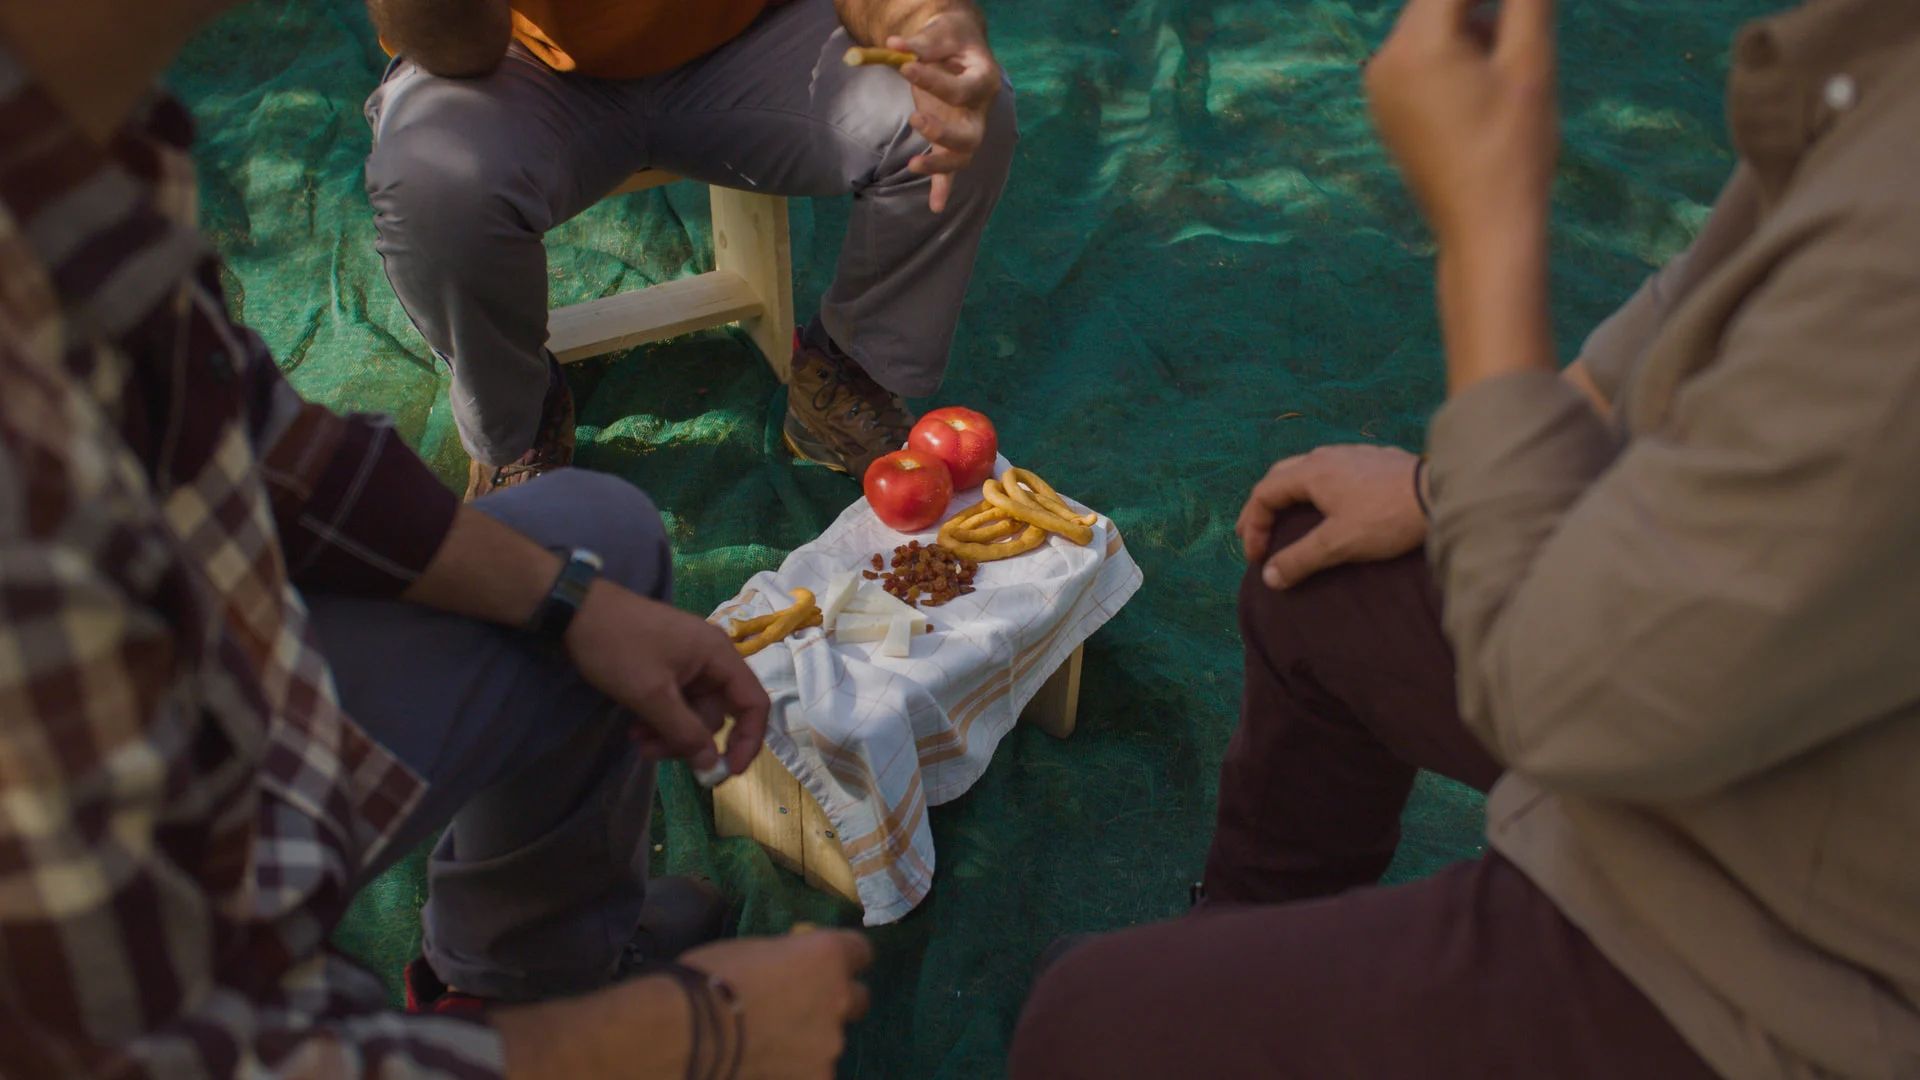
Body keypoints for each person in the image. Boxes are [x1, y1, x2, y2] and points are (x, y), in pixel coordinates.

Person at [1011, 0, 1920, 1076]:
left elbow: (1566, 702)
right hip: (1736, 701)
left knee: (1088, 1027)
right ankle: (1244, 943)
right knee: (1316, 574)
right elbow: (1686, 308)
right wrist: (1447, 488)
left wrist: (1487, 229)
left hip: (1786, 947)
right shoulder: (1878, 67)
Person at [0, 2, 873, 1076]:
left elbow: (251, 444)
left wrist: (570, 602)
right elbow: (168, 1049)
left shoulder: (66, 144)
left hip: (219, 687)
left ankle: (513, 977)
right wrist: (692, 1035)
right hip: (159, 892)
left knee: (594, 539)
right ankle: (529, 1019)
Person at [362, 0, 1017, 499]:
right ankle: (518, 423)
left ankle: (847, 377)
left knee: (956, 121)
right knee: (433, 184)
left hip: (750, 37)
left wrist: (930, 22)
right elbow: (460, 47)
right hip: (521, 63)